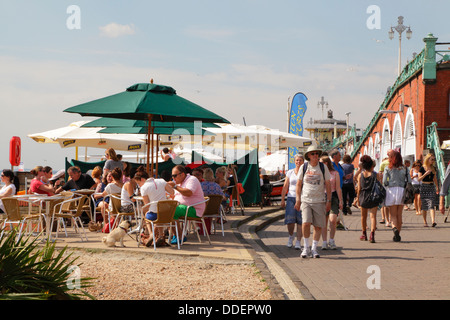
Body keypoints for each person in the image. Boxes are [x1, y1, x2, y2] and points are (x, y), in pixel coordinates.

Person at [294, 146, 331, 259]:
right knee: (305, 223)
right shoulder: (304, 167)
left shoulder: (323, 167)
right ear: (309, 155)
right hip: (306, 200)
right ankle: (306, 247)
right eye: (313, 154)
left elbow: (328, 185)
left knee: (318, 226)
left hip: (319, 201)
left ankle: (314, 248)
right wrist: (298, 199)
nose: (315, 155)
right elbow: (299, 184)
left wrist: (328, 200)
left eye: (317, 154)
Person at [167, 165, 206, 244]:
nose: (173, 178)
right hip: (183, 207)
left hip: (194, 209)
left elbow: (188, 193)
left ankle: (179, 236)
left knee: (170, 211)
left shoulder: (192, 179)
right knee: (163, 209)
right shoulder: (179, 183)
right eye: (172, 176)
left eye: (175, 176)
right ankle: (161, 235)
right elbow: (177, 195)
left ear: (182, 174)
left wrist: (174, 186)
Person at [135, 169, 173, 247]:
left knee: (146, 214)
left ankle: (151, 233)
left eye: (139, 183)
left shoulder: (144, 188)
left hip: (154, 215)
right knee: (159, 213)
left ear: (142, 179)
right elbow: (172, 192)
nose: (139, 185)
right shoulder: (162, 181)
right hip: (166, 214)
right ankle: (160, 235)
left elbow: (147, 204)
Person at [383, 150, 410, 242]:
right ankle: (398, 233)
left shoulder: (388, 168)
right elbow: (409, 181)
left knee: (393, 215)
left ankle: (394, 229)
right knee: (399, 214)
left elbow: (384, 182)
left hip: (391, 190)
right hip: (402, 190)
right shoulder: (405, 168)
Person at [280, 154, 304, 250]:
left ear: (303, 161)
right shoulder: (290, 172)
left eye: (300, 160)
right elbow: (285, 186)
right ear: (294, 161)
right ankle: (290, 237)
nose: (298, 162)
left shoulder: (305, 172)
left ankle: (298, 241)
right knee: (290, 221)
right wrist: (282, 199)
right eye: (297, 160)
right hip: (291, 197)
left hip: (302, 198)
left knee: (300, 221)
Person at [320, 155, 342, 250]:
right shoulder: (319, 173)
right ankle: (324, 241)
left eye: (322, 162)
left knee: (333, 220)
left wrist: (341, 200)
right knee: (323, 221)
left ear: (326, 163)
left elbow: (338, 187)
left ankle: (331, 240)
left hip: (333, 197)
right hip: (322, 197)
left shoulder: (334, 173)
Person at [356, 155, 378, 243]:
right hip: (373, 196)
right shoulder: (376, 175)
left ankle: (364, 234)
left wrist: (358, 199)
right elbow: (379, 186)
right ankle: (372, 235)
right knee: (373, 216)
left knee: (363, 216)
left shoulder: (361, 175)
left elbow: (359, 189)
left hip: (363, 196)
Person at [418, 154, 440, 227]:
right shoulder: (422, 168)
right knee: (424, 206)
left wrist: (437, 187)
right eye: (432, 159)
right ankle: (425, 222)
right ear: (428, 159)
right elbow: (419, 179)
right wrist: (425, 174)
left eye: (433, 159)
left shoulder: (433, 168)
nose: (433, 161)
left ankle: (433, 221)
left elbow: (435, 179)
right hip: (424, 187)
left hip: (431, 187)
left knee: (431, 204)